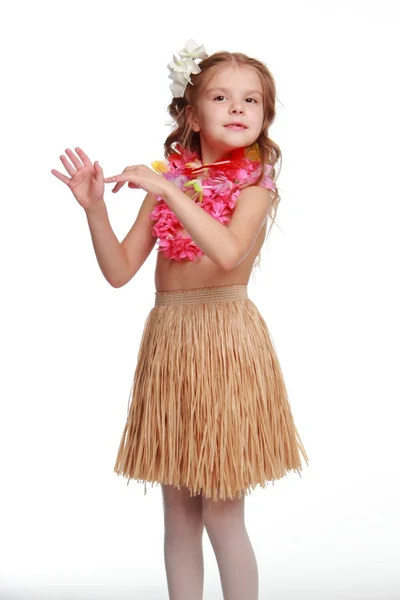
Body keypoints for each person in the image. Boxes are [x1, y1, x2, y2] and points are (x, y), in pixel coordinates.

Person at [51, 39, 309, 600]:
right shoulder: (168, 183)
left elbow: (226, 252)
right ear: (192, 113)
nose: (238, 108)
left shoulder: (255, 191)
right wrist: (96, 209)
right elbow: (120, 272)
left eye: (252, 101)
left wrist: (167, 186)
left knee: (221, 510)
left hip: (226, 343)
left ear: (265, 117)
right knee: (180, 514)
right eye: (221, 97)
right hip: (171, 342)